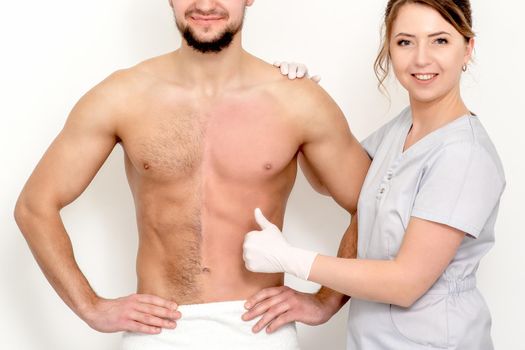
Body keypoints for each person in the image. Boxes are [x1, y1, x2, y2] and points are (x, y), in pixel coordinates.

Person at [13, 0, 370, 349]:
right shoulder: (122, 95)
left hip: (261, 330)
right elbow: (35, 206)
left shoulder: (298, 99)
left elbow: (371, 203)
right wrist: (91, 307)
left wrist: (325, 300)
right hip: (157, 331)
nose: (205, 4)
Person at [242, 1, 505, 349]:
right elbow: (331, 182)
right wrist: (305, 105)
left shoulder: (464, 154)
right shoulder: (403, 129)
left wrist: (291, 259)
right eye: (405, 42)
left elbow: (405, 283)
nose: (421, 58)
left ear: (467, 48)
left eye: (440, 41)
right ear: (390, 49)